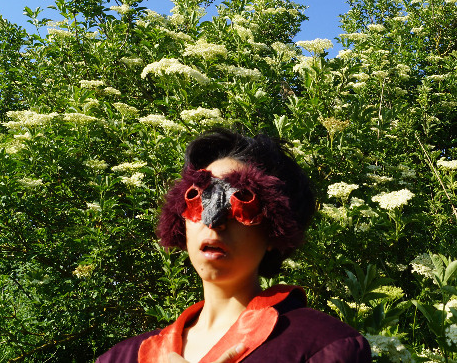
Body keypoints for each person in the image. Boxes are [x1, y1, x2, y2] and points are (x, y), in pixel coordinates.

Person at [96, 129, 371, 362]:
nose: (213, 221)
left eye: (242, 201)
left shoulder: (325, 347)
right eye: (198, 198)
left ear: (275, 230)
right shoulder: (120, 357)